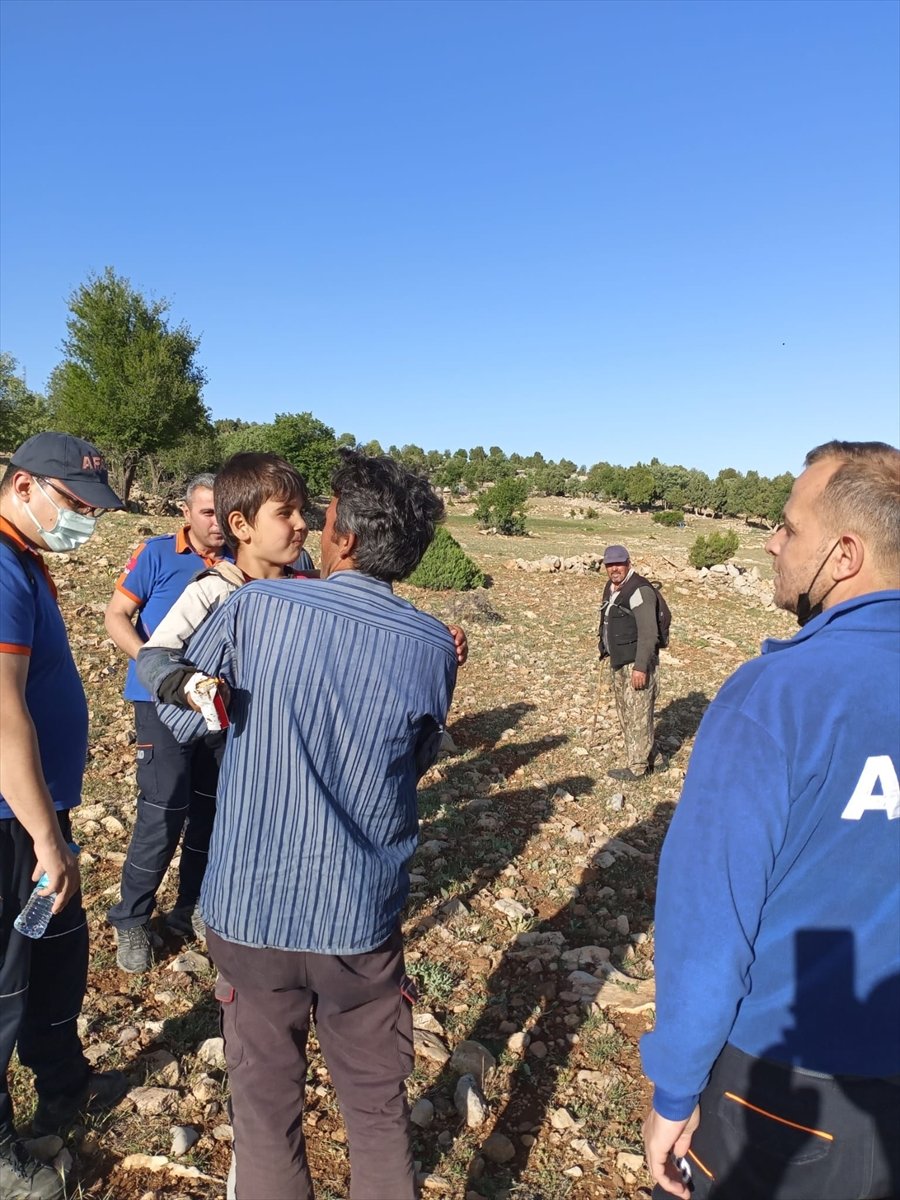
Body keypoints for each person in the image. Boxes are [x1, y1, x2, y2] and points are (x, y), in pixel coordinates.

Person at [169, 450, 458, 1200]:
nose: (310, 526)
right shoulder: (432, 646)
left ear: (346, 539)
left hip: (250, 913)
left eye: (321, 515)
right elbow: (416, 758)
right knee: (376, 1111)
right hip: (359, 923)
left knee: (264, 1114)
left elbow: (178, 713)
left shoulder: (254, 609)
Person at [641, 440, 900, 1200]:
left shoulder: (777, 696)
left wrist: (675, 1093)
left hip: (791, 1090)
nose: (771, 541)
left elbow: (708, 922)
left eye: (788, 527)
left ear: (844, 555)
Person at [0, 433, 129, 1200]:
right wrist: (47, 839)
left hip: (36, 812)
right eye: (74, 506)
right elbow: (3, 712)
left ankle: (63, 1081)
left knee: (56, 953)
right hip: (11, 823)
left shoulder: (24, 557)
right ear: (22, 485)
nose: (83, 522)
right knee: (7, 980)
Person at [104, 473, 231, 971]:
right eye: (207, 512)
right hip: (161, 704)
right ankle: (132, 919)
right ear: (186, 513)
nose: (217, 522)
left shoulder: (244, 561)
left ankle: (192, 905)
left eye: (224, 512)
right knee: (162, 808)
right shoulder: (155, 554)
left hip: (219, 705)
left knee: (211, 807)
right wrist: (156, 667)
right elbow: (118, 615)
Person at [135, 452, 314, 719]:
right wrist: (192, 687)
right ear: (241, 526)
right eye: (285, 513)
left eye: (301, 511)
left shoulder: (311, 586)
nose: (301, 524)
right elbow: (154, 656)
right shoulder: (215, 590)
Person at [598, 544, 663, 781]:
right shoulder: (613, 587)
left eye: (619, 563)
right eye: (610, 564)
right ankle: (654, 758)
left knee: (637, 715)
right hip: (619, 660)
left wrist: (640, 667)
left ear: (628, 562)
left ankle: (637, 768)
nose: (614, 568)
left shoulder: (640, 590)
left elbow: (648, 633)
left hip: (636, 662)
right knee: (630, 712)